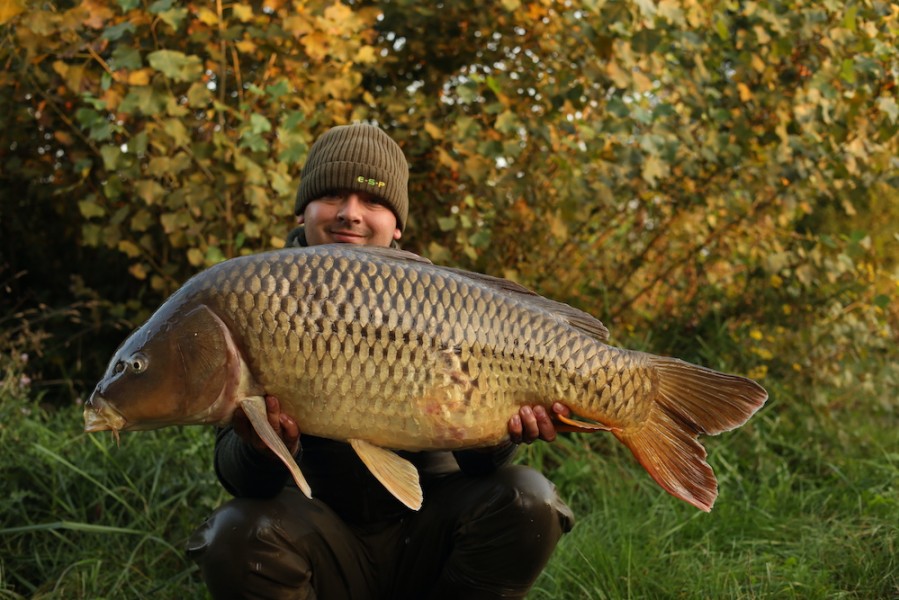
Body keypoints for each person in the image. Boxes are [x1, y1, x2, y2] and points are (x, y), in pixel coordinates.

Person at [187, 123, 575, 599]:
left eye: (372, 201)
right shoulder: (259, 295)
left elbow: (481, 470)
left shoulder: (442, 301)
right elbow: (236, 473)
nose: (350, 214)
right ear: (303, 209)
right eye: (332, 196)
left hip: (427, 532)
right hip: (322, 539)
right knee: (235, 531)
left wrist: (503, 434)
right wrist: (262, 447)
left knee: (528, 500)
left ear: (397, 226)